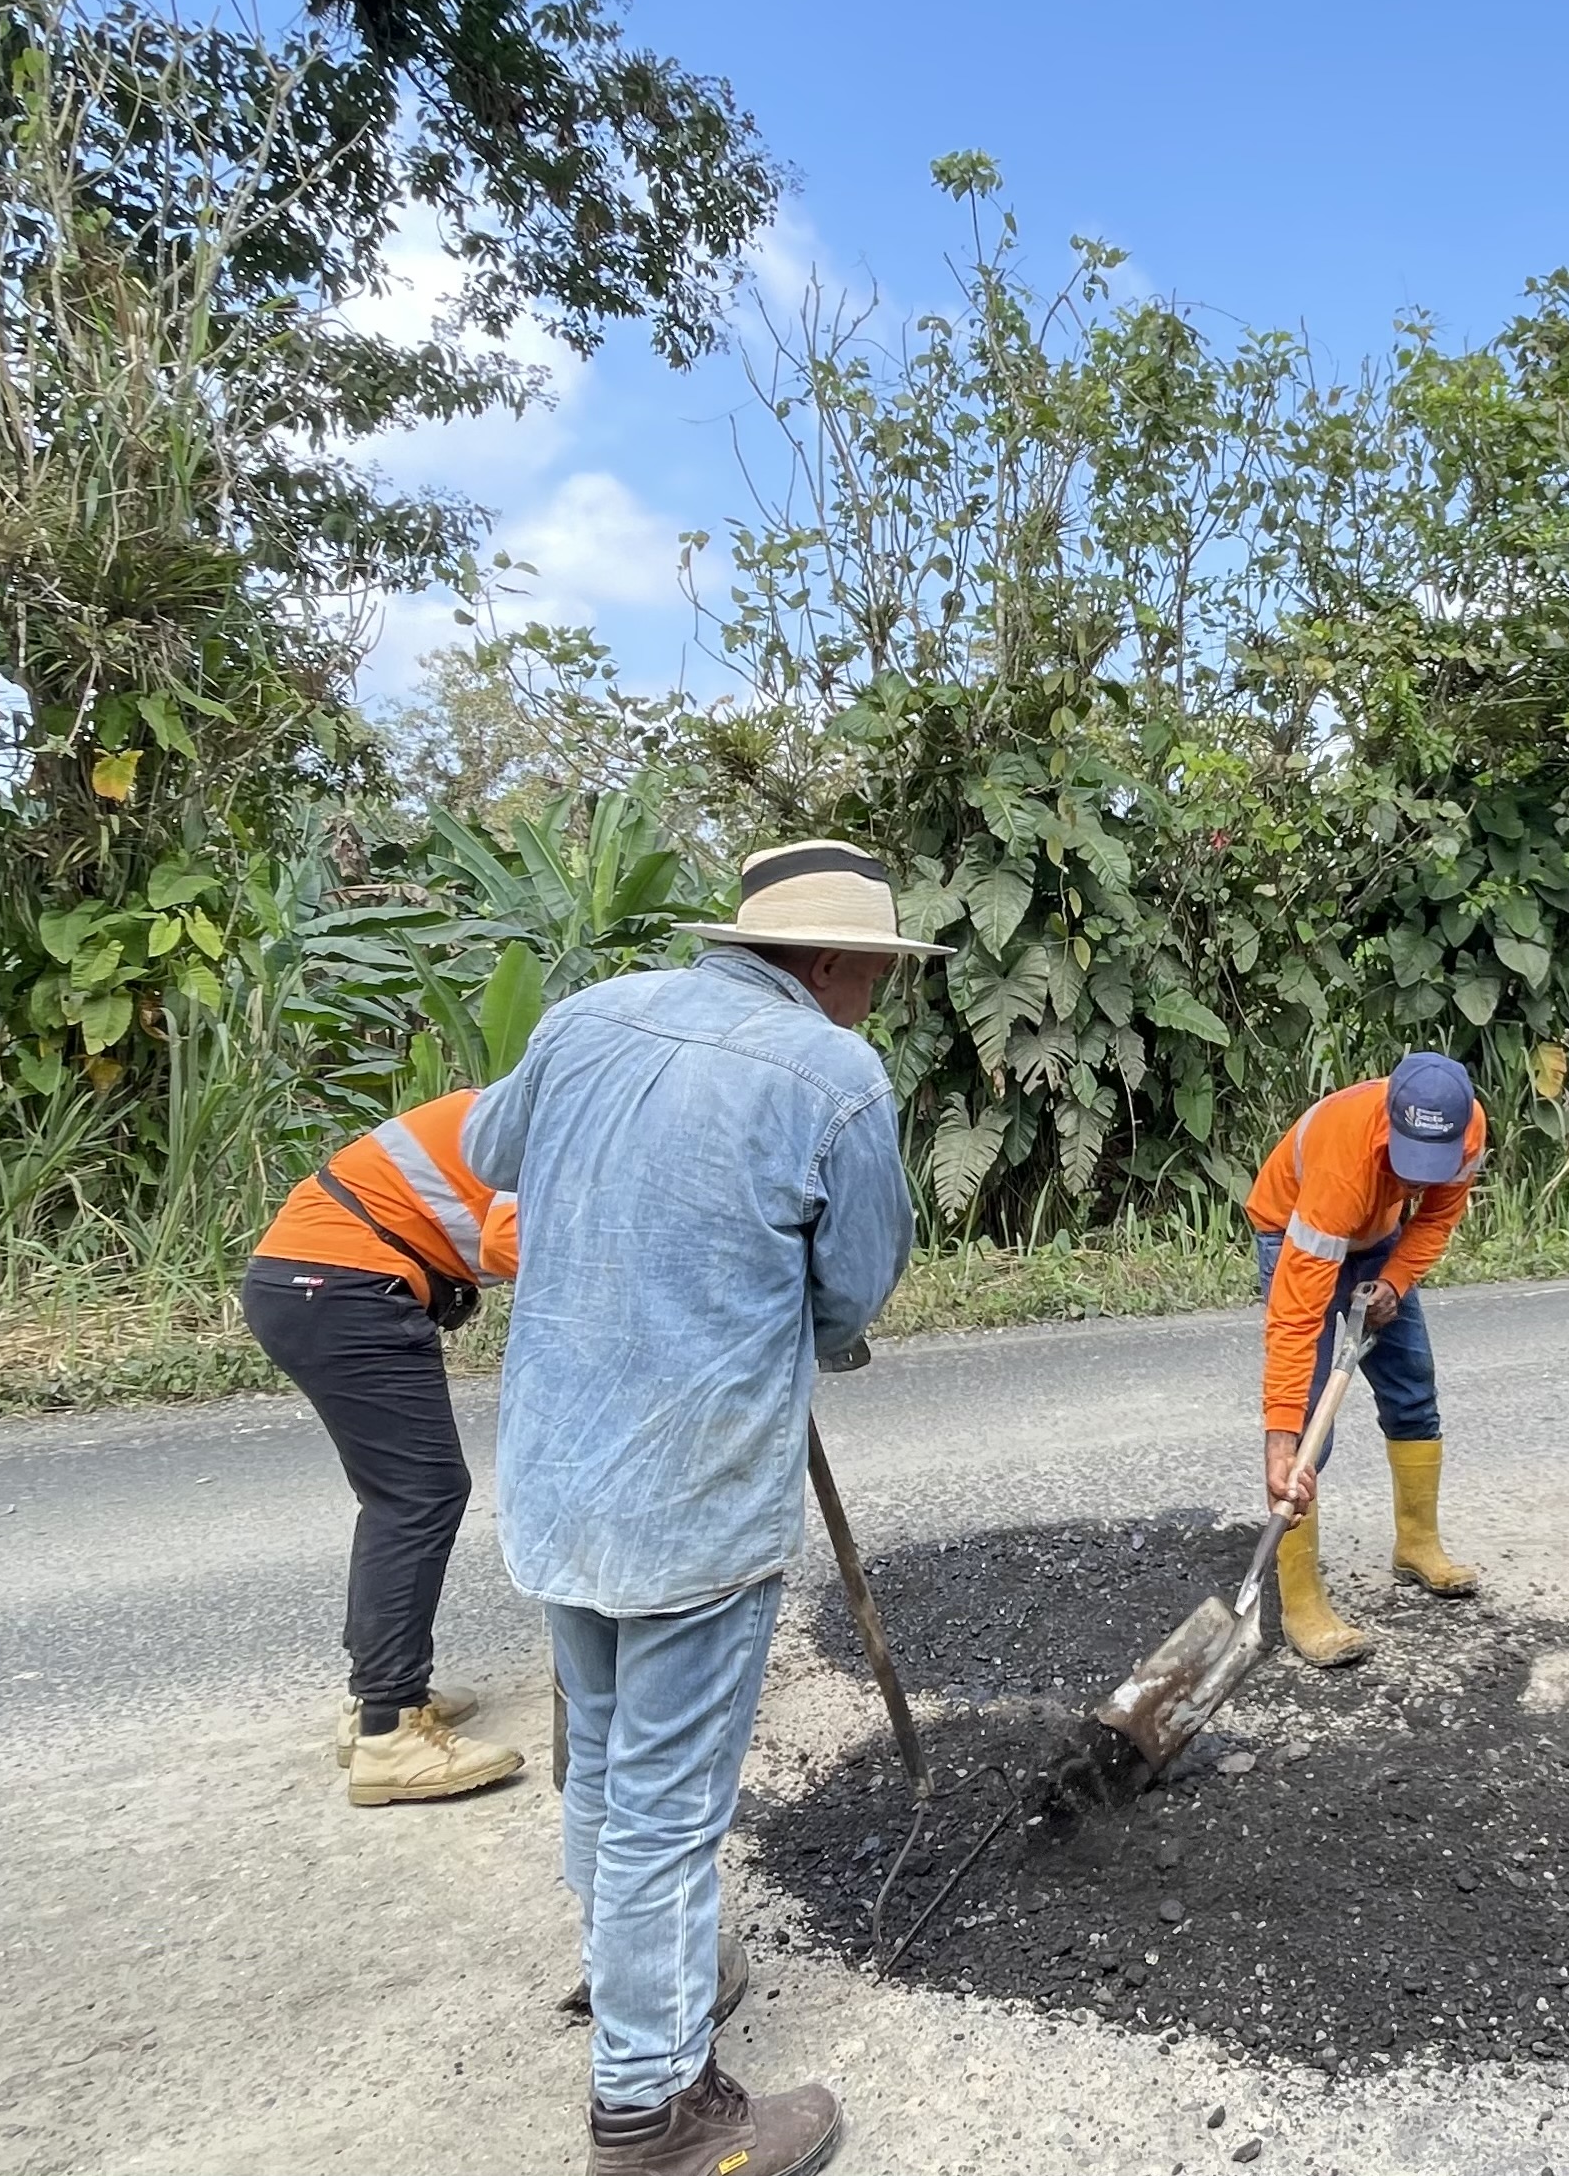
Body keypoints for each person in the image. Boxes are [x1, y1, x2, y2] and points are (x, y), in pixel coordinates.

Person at [463, 840, 941, 2176]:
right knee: (669, 1807)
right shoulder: (834, 1074)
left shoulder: (588, 1016)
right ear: (833, 962)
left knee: (607, 1758)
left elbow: (493, 1152)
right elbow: (855, 1283)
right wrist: (804, 1330)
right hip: (692, 1493)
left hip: (562, 1471)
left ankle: (643, 1975)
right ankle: (654, 2113)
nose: (878, 999)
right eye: (878, 975)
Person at [242, 1089, 528, 1806]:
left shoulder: (516, 1102)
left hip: (313, 1281)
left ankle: (376, 1696)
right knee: (418, 1496)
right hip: (342, 1288)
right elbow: (512, 1239)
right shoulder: (549, 1118)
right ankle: (390, 1731)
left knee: (403, 1495)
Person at [1245, 1051, 1488, 1667]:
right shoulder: (1344, 1159)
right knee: (1308, 1429)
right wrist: (1281, 1437)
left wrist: (1396, 1281)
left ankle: (1417, 1544)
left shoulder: (1468, 1131)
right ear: (1389, 1125)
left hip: (1379, 1241)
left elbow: (1436, 1218)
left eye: (1429, 1166)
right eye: (1408, 1164)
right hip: (1295, 1228)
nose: (1417, 1181)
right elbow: (1296, 1318)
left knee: (1413, 1389)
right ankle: (1301, 1601)